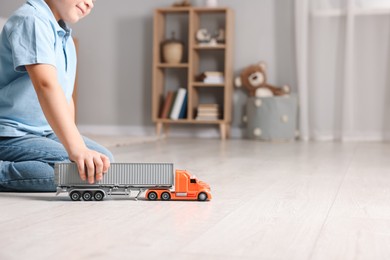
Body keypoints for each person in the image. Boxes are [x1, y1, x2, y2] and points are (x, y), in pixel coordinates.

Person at [0, 0, 113, 192]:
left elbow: (65, 95)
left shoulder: (64, 36)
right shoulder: (31, 19)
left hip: (43, 131)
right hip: (10, 133)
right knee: (72, 169)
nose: (89, 4)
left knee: (102, 161)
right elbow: (46, 86)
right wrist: (75, 149)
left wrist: (76, 143)